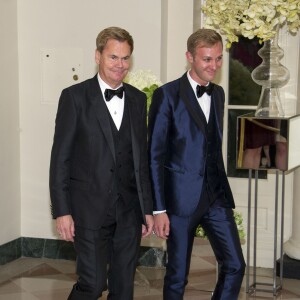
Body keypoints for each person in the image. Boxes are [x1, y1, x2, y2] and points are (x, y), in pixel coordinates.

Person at [49, 26, 154, 300]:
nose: (120, 65)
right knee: (92, 284)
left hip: (129, 212)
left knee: (123, 288)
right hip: (88, 210)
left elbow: (140, 160)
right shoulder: (74, 97)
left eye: (125, 58)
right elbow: (60, 159)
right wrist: (62, 211)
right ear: (98, 56)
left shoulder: (137, 99)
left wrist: (147, 210)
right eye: (113, 57)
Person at [148, 28, 245, 300]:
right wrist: (158, 209)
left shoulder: (219, 94)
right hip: (180, 200)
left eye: (218, 58)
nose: (213, 65)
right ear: (190, 57)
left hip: (215, 195)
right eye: (206, 59)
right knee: (177, 275)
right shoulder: (166, 95)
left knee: (236, 264)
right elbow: (154, 155)